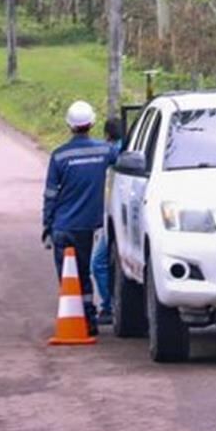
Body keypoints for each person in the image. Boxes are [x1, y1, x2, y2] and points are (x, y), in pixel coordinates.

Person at [41, 100, 117, 335]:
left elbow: (50, 195)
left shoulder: (60, 156)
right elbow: (124, 155)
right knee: (83, 273)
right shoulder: (104, 151)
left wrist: (46, 225)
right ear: (92, 123)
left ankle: (74, 318)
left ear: (69, 125)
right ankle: (89, 320)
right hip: (86, 227)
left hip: (62, 226)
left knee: (67, 277)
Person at [90, 114, 126, 326]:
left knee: (98, 262)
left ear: (107, 135)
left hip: (114, 216)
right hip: (120, 216)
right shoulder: (126, 149)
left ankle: (108, 306)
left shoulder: (111, 151)